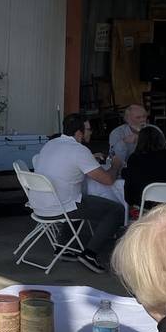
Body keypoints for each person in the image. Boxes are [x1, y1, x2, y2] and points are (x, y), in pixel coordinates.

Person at [29, 113, 124, 274]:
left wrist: (90, 158)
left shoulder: (51, 144)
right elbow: (107, 180)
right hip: (60, 207)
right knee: (116, 210)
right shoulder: (79, 150)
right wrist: (116, 165)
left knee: (77, 198)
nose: (91, 132)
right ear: (79, 132)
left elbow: (66, 161)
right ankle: (90, 254)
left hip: (38, 204)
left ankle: (62, 247)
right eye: (88, 129)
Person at [107, 104, 148, 169]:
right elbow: (113, 158)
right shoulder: (117, 133)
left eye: (144, 116)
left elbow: (163, 152)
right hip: (127, 168)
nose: (142, 120)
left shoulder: (154, 130)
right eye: (138, 117)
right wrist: (124, 141)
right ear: (128, 120)